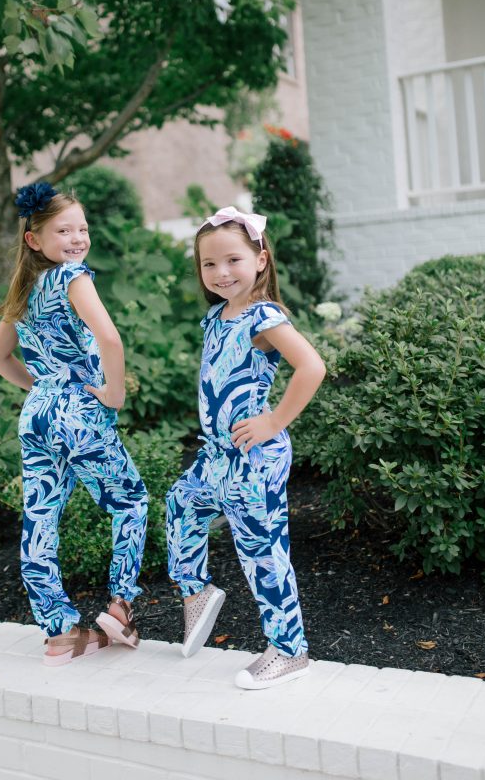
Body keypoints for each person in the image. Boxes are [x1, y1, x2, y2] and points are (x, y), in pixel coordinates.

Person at [0, 182, 148, 666]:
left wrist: (45, 390)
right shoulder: (72, 277)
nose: (77, 238)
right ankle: (121, 608)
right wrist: (112, 392)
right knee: (130, 501)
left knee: (40, 519)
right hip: (80, 412)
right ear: (35, 239)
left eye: (82, 227)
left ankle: (59, 633)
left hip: (37, 414)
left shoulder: (24, 290)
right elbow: (110, 339)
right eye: (63, 230)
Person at [166, 206, 326, 689]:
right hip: (217, 455)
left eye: (233, 260)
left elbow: (312, 367)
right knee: (180, 504)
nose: (220, 273)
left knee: (261, 550)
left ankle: (289, 649)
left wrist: (274, 420)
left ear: (260, 259)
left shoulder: (264, 317)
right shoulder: (216, 316)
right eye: (209, 264)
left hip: (255, 457)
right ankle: (196, 592)